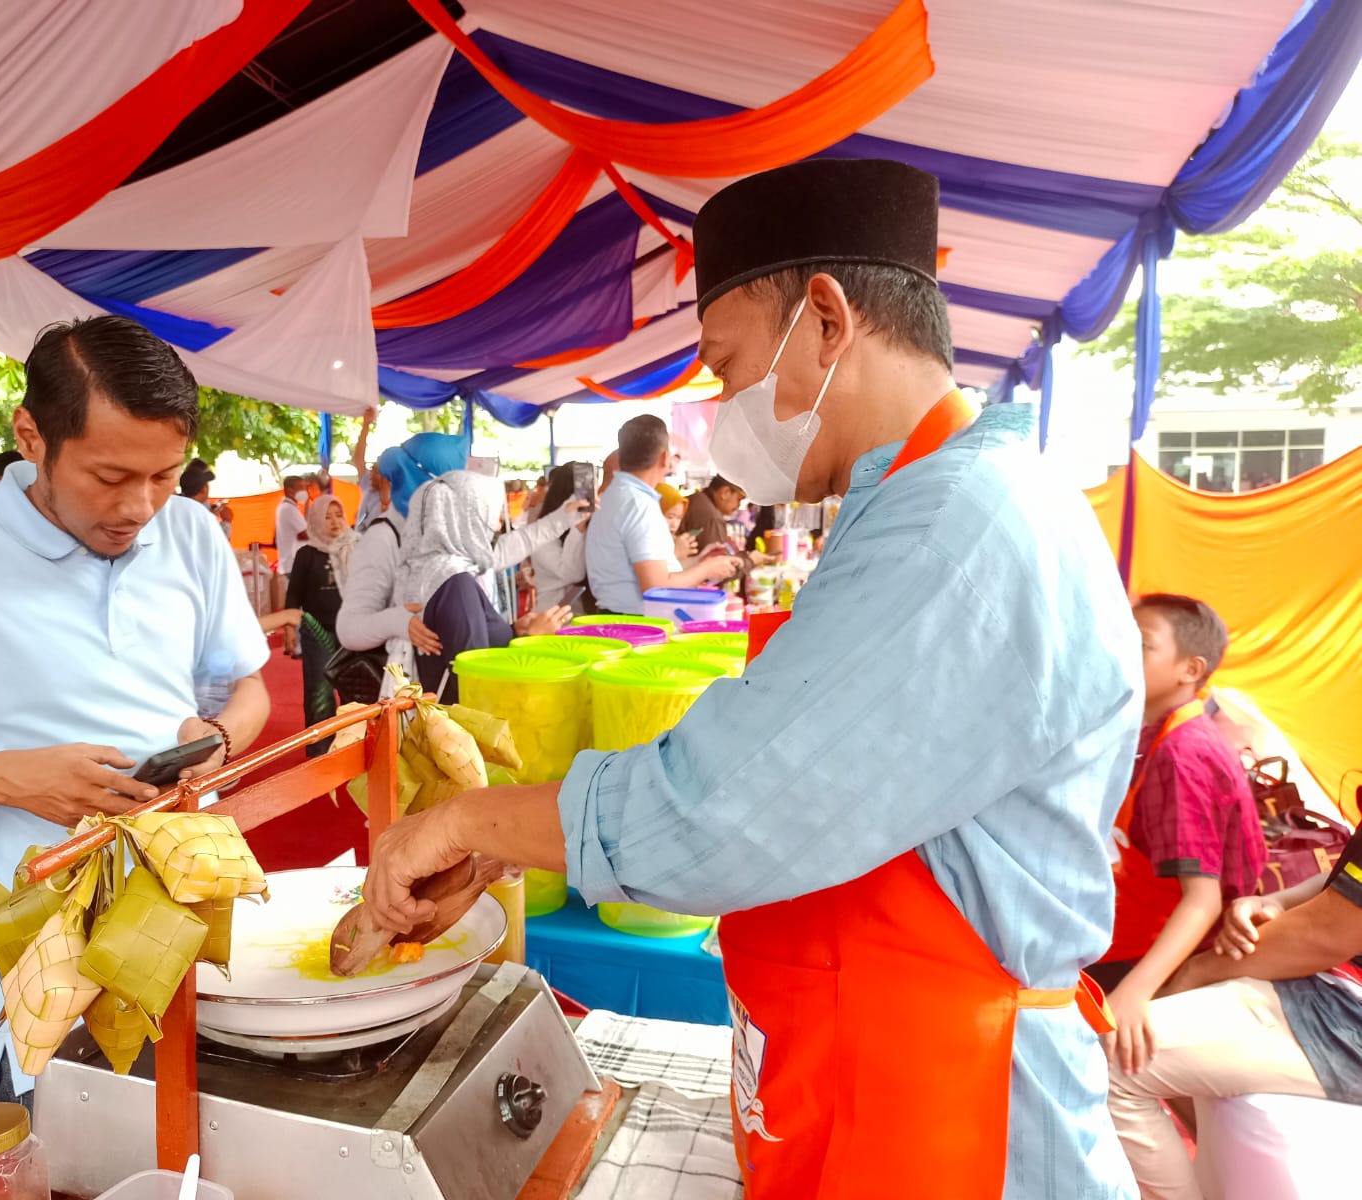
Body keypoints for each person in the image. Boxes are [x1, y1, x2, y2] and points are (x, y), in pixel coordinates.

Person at [356, 159, 1144, 1199]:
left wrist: (464, 824)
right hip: (885, 1067)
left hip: (960, 1116)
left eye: (727, 369)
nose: (726, 409)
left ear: (825, 320)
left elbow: (722, 807)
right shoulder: (927, 505)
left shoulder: (956, 524)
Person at [0, 315, 271, 1106]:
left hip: (191, 920)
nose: (140, 506)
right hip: (47, 963)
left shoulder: (192, 537)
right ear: (31, 436)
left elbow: (247, 687)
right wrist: (13, 781)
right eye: (109, 477)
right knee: (65, 1139)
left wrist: (218, 737)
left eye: (165, 475)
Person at [1108, 828, 1362, 1199]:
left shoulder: (1178, 770)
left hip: (1343, 1008)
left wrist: (1194, 973)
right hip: (1330, 986)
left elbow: (1327, 932)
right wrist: (1281, 901)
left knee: (1111, 1057)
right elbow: (1347, 883)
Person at [1093, 595, 1267, 1072]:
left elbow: (1203, 899)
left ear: (1191, 669)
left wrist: (1136, 993)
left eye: (1143, 644)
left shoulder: (1183, 754)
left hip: (1164, 950)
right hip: (1132, 927)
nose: (1123, 648)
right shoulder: (1157, 730)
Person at [395, 472, 570, 703]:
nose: (498, 526)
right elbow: (476, 675)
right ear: (467, 519)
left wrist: (513, 631)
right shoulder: (455, 582)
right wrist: (531, 637)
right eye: (492, 516)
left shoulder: (425, 567)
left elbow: (462, 640)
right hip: (458, 726)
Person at [335, 431, 469, 670]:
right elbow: (349, 629)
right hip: (412, 687)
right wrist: (399, 622)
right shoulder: (383, 538)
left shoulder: (442, 534)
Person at [585, 415, 739, 614]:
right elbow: (655, 588)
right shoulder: (638, 505)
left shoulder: (612, 496)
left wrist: (701, 561)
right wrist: (707, 570)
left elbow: (656, 570)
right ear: (664, 458)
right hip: (635, 623)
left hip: (617, 618)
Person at [284, 494, 357, 750]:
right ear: (315, 520)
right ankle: (320, 750)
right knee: (319, 691)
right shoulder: (306, 554)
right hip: (317, 632)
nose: (335, 522)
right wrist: (289, 628)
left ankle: (353, 744)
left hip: (353, 631)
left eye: (338, 515)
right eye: (327, 517)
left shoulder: (356, 547)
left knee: (354, 689)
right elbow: (293, 594)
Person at [531, 462, 592, 611]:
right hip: (553, 622)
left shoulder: (592, 525)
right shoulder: (543, 532)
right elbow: (571, 573)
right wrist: (578, 527)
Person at [274, 474, 310, 657]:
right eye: (301, 487)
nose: (305, 491)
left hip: (289, 563)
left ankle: (291, 644)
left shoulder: (287, 507)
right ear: (290, 490)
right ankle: (298, 647)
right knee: (299, 608)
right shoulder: (289, 509)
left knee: (294, 606)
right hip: (293, 564)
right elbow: (305, 533)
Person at [682, 476, 748, 553]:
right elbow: (717, 558)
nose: (738, 505)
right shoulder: (712, 517)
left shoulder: (697, 499)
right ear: (725, 493)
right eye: (739, 499)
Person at [180, 457, 233, 540]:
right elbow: (219, 544)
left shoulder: (176, 506)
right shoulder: (199, 516)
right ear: (204, 489)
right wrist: (226, 521)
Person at [656, 483, 699, 564]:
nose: (675, 525)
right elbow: (657, 574)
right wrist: (676, 553)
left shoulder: (671, 541)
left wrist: (703, 558)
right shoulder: (646, 541)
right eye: (670, 517)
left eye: (679, 518)